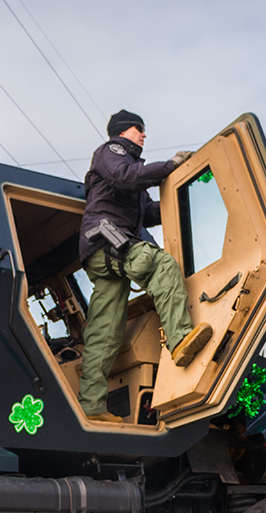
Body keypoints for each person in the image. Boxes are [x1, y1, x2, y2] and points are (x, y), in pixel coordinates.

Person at [77, 109, 212, 423]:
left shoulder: (130, 169)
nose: (144, 134)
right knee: (160, 264)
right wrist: (171, 166)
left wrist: (178, 201)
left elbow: (147, 211)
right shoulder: (112, 152)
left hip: (102, 250)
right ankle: (180, 340)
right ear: (123, 131)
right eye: (139, 129)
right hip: (108, 240)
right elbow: (125, 176)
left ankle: (91, 406)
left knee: (105, 331)